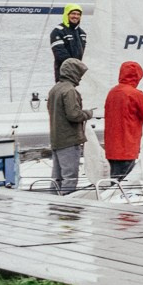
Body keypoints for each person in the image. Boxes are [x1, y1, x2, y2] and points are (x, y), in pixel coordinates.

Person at [100, 60, 143, 183]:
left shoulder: (112, 93)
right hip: (126, 146)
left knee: (115, 180)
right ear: (137, 76)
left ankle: (110, 199)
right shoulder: (135, 94)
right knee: (124, 183)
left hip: (112, 148)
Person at [45, 58, 92, 195]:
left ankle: (53, 202)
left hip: (56, 139)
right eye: (79, 74)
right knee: (70, 177)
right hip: (69, 140)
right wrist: (87, 114)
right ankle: (67, 207)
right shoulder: (70, 90)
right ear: (73, 73)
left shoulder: (55, 89)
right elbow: (73, 115)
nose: (80, 78)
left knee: (57, 177)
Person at [49, 4, 87, 69]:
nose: (76, 16)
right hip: (65, 72)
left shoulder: (82, 33)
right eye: (73, 13)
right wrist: (75, 66)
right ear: (67, 14)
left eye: (78, 14)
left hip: (80, 72)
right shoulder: (58, 31)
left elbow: (86, 53)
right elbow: (60, 53)